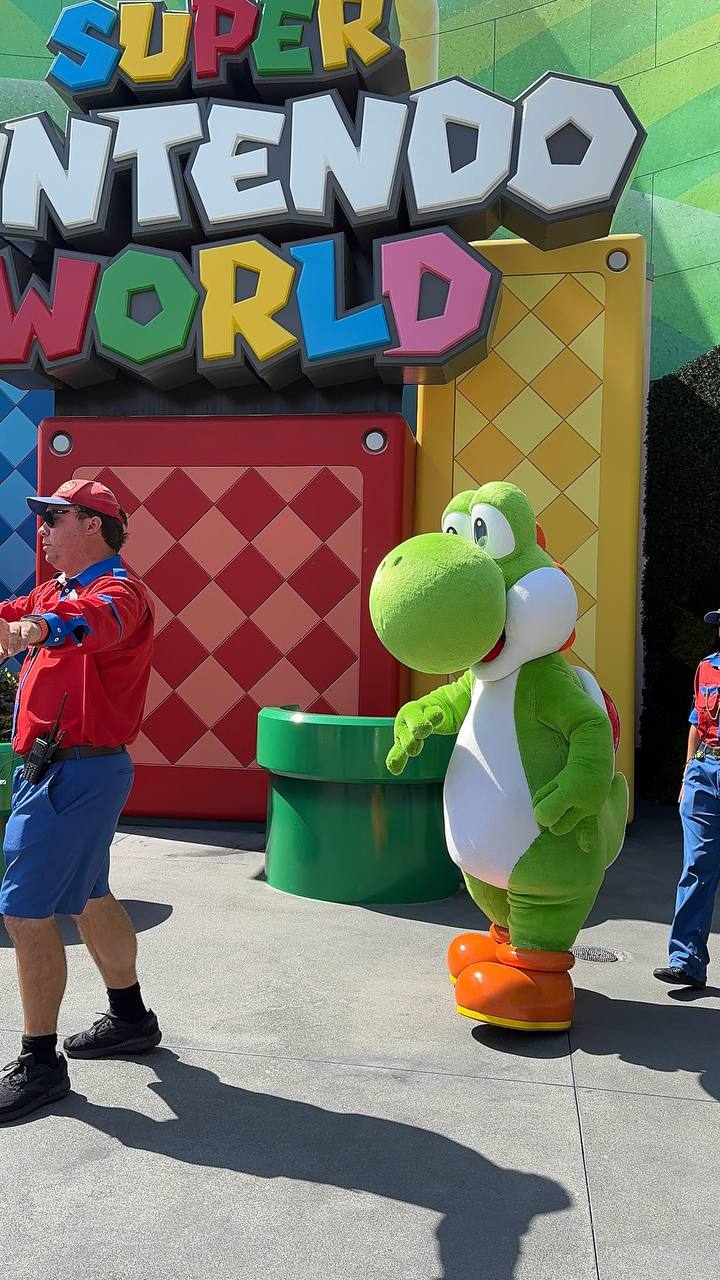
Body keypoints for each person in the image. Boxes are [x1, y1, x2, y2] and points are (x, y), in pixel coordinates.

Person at [0, 479, 159, 1124]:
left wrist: (37, 627)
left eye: (53, 517)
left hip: (74, 775)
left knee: (27, 911)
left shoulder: (119, 595)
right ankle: (130, 1018)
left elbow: (84, 627)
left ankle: (40, 1064)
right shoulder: (57, 590)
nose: (41, 528)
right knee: (89, 896)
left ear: (93, 525)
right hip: (62, 773)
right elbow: (15, 622)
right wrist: (22, 625)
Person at [654, 607, 720, 991]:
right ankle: (686, 961)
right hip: (702, 775)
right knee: (697, 868)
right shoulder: (706, 667)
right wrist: (686, 775)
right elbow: (696, 722)